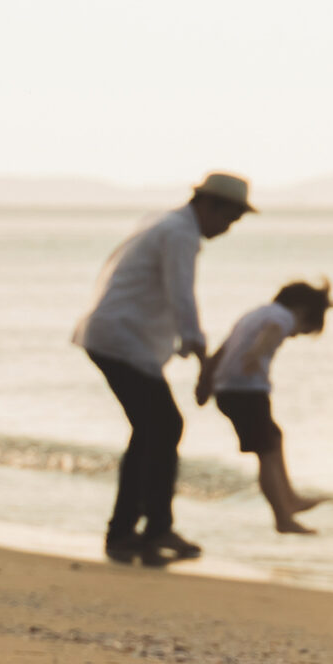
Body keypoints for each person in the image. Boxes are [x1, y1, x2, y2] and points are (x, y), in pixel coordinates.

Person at [71, 173, 254, 566]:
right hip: (119, 339)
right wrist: (202, 356)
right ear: (209, 205)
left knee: (154, 429)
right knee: (163, 426)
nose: (228, 229)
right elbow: (181, 295)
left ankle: (139, 532)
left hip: (118, 338)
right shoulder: (180, 234)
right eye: (229, 219)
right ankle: (141, 532)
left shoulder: (167, 223)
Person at [197, 280, 333, 535]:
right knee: (266, 452)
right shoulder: (280, 317)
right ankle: (283, 518)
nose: (294, 335)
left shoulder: (254, 314)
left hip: (229, 389)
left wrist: (204, 382)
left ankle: (290, 498)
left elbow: (223, 349)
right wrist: (256, 353)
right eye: (303, 329)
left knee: (274, 437)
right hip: (246, 391)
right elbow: (272, 331)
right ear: (302, 311)